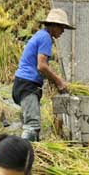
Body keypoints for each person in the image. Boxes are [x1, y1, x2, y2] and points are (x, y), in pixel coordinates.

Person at [13, 8, 75, 142]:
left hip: (23, 83)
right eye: (62, 27)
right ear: (54, 26)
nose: (63, 31)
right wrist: (59, 81)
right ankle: (24, 156)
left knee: (31, 123)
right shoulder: (46, 38)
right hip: (27, 85)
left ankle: (31, 154)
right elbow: (41, 66)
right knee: (32, 125)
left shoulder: (41, 35)